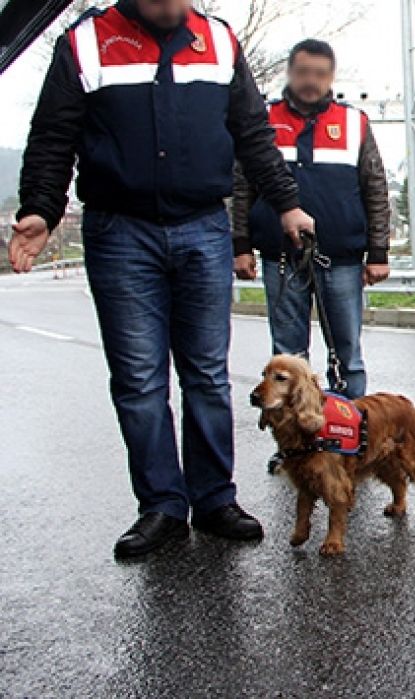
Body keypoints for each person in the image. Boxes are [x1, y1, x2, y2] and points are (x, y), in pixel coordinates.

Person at [10, 0, 313, 559]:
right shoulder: (86, 41)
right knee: (140, 382)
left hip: (201, 226)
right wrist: (41, 209)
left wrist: (288, 205)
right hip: (120, 233)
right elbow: (53, 135)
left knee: (206, 376)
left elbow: (252, 134)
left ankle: (215, 499)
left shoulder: (218, 41)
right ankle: (162, 507)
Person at [232, 39, 391, 408]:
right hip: (281, 258)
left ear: (330, 77)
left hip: (342, 258)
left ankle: (351, 439)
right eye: (303, 72)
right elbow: (241, 187)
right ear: (291, 73)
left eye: (319, 74)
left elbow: (376, 188)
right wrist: (239, 245)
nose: (311, 81)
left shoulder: (354, 123)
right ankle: (293, 445)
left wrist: (378, 250)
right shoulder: (263, 122)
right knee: (286, 359)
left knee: (347, 355)